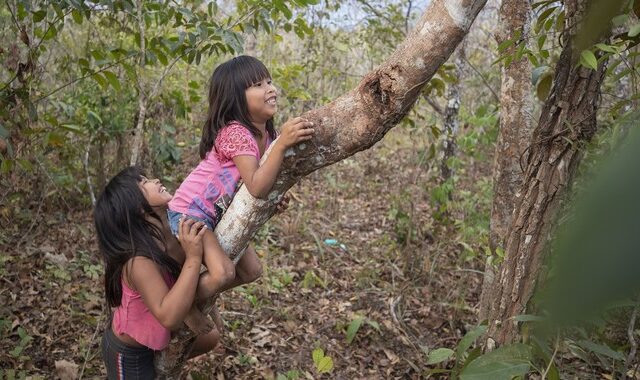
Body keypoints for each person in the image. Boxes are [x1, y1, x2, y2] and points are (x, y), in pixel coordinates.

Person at [168, 55, 314, 299]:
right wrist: (282, 144)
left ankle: (189, 298)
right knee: (223, 273)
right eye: (258, 85)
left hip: (215, 217)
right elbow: (256, 186)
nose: (270, 89)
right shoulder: (235, 132)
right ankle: (185, 305)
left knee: (252, 271)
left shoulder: (267, 135)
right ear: (235, 98)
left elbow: (256, 184)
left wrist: (275, 199)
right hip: (190, 214)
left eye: (269, 81)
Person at [95, 167, 219, 379]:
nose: (156, 180)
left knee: (211, 337)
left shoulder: (171, 228)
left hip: (156, 336)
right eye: (145, 184)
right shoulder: (138, 261)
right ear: (137, 210)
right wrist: (194, 258)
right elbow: (169, 316)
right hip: (129, 354)